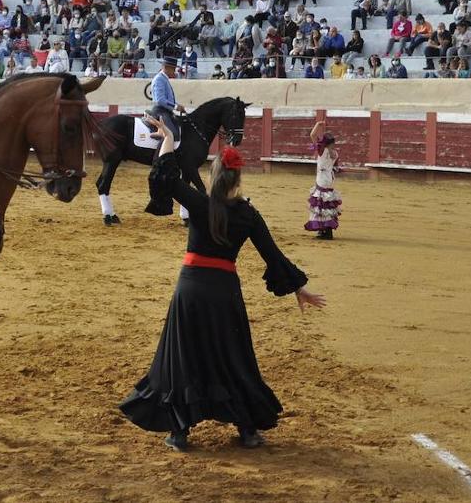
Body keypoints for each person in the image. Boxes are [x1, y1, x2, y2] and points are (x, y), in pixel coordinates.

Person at [119, 116, 325, 451]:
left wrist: (169, 138)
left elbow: (165, 178)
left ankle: (180, 432)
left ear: (214, 174)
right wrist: (298, 289)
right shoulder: (247, 214)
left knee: (183, 359)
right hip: (224, 292)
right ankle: (247, 430)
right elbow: (272, 255)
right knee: (232, 358)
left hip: (191, 290)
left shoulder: (200, 204)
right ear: (238, 176)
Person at [305, 121, 341, 239]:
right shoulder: (335, 153)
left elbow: (312, 135)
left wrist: (317, 124)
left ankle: (324, 231)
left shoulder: (322, 150)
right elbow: (336, 167)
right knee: (328, 204)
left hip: (322, 178)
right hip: (330, 178)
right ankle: (326, 230)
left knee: (320, 204)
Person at [147, 55, 186, 145]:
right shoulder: (159, 79)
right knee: (172, 134)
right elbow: (160, 100)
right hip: (160, 111)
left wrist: (178, 106)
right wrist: (176, 106)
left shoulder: (163, 79)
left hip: (165, 111)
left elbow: (166, 99)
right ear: (166, 68)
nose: (175, 71)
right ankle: (160, 157)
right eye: (173, 69)